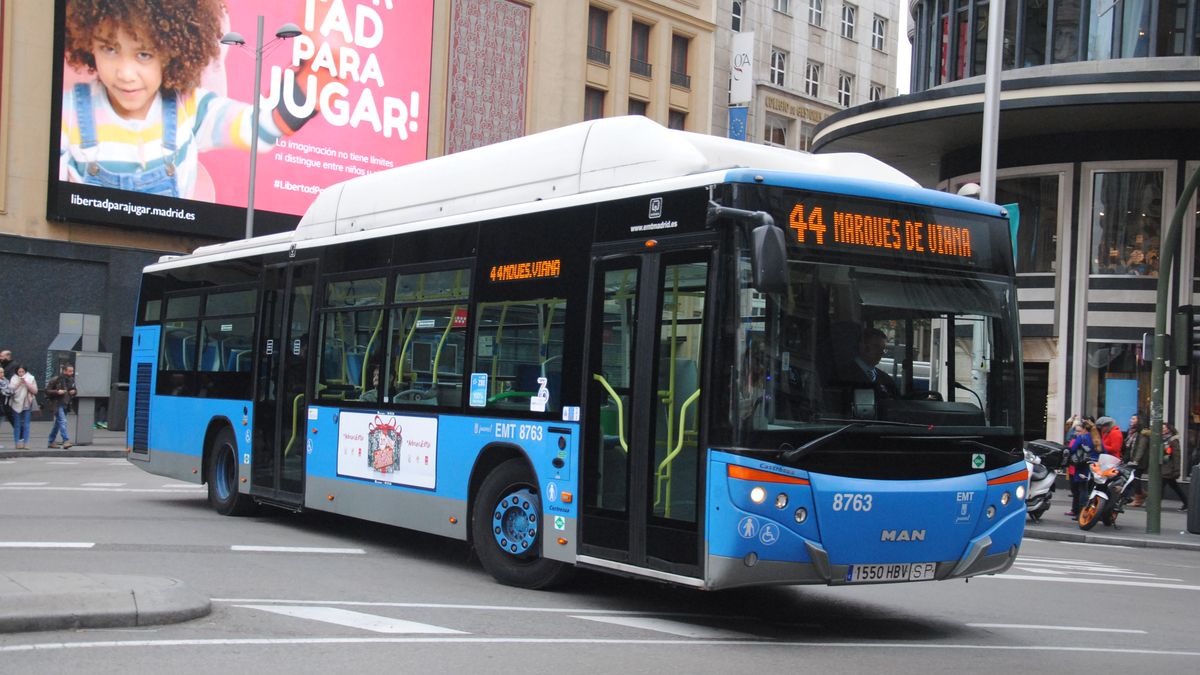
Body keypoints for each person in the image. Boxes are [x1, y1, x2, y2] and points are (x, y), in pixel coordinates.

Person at [59, 0, 321, 199]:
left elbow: (259, 129)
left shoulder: (191, 108)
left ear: (173, 51)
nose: (125, 73)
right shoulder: (69, 113)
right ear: (87, 41)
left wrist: (314, 83)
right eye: (110, 49)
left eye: (144, 55)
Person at [855, 327, 900, 397]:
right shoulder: (843, 375)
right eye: (876, 347)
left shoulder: (886, 379)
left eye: (883, 348)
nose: (881, 352)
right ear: (862, 346)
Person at [1065, 421, 1096, 517]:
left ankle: (1080, 512)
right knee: (1087, 490)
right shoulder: (1094, 438)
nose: (1077, 433)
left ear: (1084, 429)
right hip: (1093, 466)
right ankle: (1085, 511)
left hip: (1082, 466)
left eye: (1079, 430)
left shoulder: (1082, 438)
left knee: (1082, 490)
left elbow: (1073, 449)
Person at [45, 364, 78, 449]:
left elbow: (74, 389)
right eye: (70, 371)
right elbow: (47, 390)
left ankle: (51, 441)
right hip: (57, 403)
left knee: (58, 424)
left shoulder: (71, 379)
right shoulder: (56, 379)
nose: (71, 373)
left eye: (72, 371)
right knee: (63, 421)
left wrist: (74, 392)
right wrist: (57, 391)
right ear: (64, 371)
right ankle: (66, 440)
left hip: (66, 403)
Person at [1161, 423, 1190, 511]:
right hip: (1164, 468)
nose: (1162, 430)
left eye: (1164, 428)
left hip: (1169, 468)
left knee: (1160, 487)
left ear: (1168, 429)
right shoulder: (1163, 439)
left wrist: (1176, 470)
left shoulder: (1173, 440)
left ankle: (1154, 505)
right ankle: (1186, 503)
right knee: (1174, 487)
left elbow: (1176, 456)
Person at [8, 365, 38, 450]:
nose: (21, 373)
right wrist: (19, 383)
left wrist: (26, 383)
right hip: (16, 403)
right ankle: (17, 443)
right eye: (19, 372)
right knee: (17, 424)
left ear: (25, 371)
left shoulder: (31, 378)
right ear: (17, 372)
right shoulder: (14, 378)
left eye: (22, 372)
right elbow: (11, 390)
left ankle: (26, 443)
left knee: (26, 425)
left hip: (26, 404)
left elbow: (35, 390)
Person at [1124, 413, 1151, 506]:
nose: (1131, 420)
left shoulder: (1142, 433)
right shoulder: (1132, 432)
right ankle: (1140, 495)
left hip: (1140, 460)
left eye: (1134, 419)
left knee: (1135, 478)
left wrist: (1136, 460)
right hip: (1133, 458)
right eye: (1131, 418)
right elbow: (1129, 446)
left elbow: (1141, 447)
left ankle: (1139, 497)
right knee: (1133, 478)